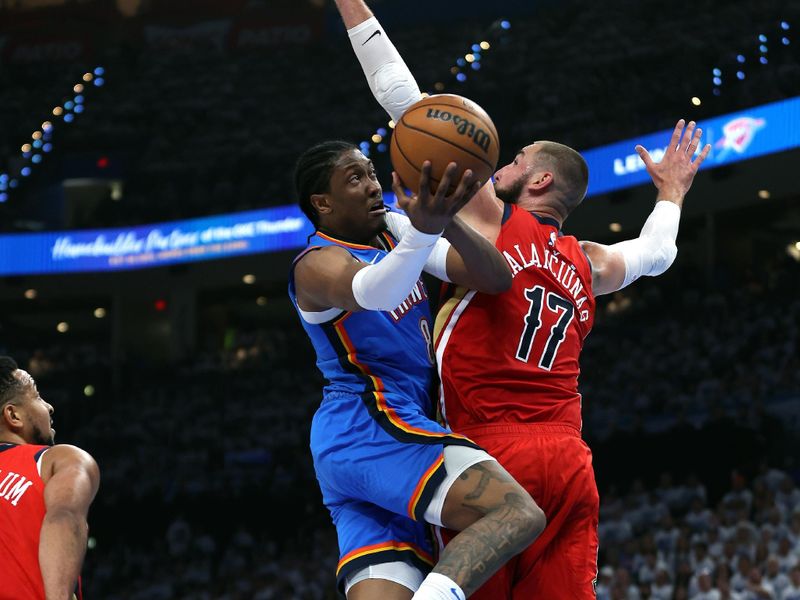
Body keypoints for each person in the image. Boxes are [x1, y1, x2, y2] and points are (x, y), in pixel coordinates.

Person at [333, 2, 711, 598]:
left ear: (537, 183)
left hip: (493, 451)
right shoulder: (590, 261)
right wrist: (672, 192)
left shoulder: (494, 220)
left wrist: (351, 6)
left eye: (514, 162)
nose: (499, 167)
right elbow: (657, 253)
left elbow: (406, 103)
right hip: (569, 458)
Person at [289, 140, 547, 600]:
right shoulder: (315, 263)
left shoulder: (394, 234)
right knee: (515, 512)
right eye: (355, 179)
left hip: (371, 443)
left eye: (371, 173)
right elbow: (375, 292)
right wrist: (423, 233)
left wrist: (445, 223)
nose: (372, 186)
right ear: (322, 203)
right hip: (372, 422)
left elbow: (496, 277)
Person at [0, 356, 100, 600]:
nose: (49, 407)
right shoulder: (57, 460)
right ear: (14, 416)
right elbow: (64, 517)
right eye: (36, 396)